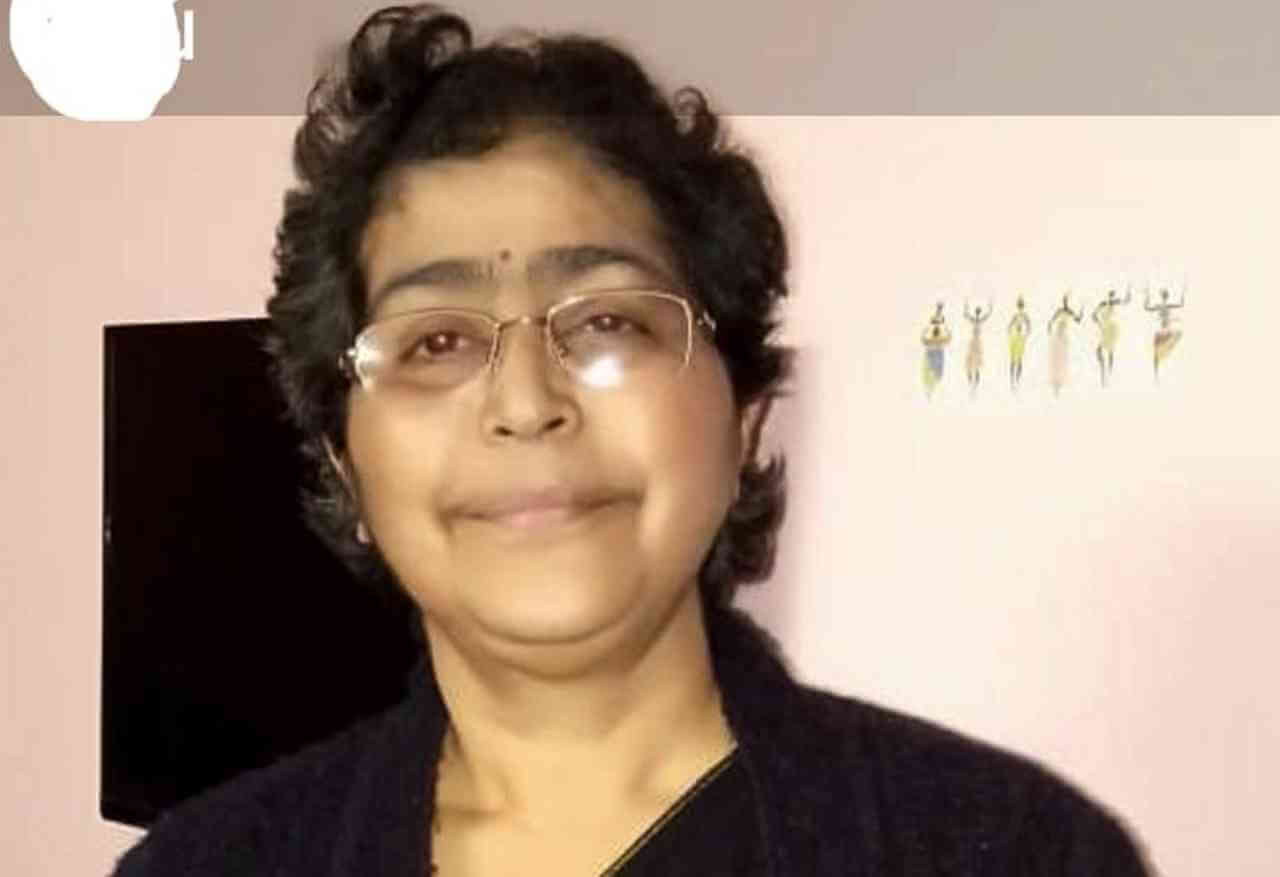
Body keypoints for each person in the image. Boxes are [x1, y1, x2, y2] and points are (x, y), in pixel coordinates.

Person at [110, 5, 1155, 875]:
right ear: (346, 465)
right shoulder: (200, 868)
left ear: (742, 417)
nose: (525, 400)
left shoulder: (1016, 852)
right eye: (435, 340)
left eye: (608, 321)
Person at [1092, 287, 1133, 387]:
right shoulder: (1103, 303)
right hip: (1105, 327)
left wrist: (1129, 290)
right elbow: (1093, 315)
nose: (1111, 296)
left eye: (1112, 295)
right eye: (1110, 294)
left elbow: (1126, 300)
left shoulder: (1115, 302)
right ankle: (1104, 370)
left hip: (1112, 328)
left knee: (1110, 350)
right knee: (1100, 350)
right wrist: (1099, 323)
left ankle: (1109, 374)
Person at [1144, 286, 1186, 382]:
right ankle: (1156, 375)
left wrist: (1183, 293)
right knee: (1156, 353)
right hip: (1161, 330)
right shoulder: (1160, 306)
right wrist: (1147, 296)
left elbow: (1181, 304)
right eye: (1164, 295)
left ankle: (1158, 374)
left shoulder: (1166, 306)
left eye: (1165, 295)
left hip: (1166, 330)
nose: (1164, 297)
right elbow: (1147, 308)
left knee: (1158, 352)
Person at [1047, 293, 1084, 398]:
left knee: (1062, 358)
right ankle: (1055, 383)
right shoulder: (1060, 311)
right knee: (1056, 358)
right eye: (1064, 301)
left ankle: (1059, 383)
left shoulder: (1070, 312)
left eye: (1066, 301)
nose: (1065, 303)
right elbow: (1051, 320)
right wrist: (1049, 328)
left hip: (1063, 337)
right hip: (1058, 336)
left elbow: (1078, 320)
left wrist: (1081, 312)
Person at [920, 301, 951, 399]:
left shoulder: (938, 340)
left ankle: (930, 390)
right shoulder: (935, 340)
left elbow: (948, 338)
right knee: (932, 374)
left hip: (935, 356)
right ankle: (930, 390)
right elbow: (924, 340)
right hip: (933, 356)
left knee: (935, 374)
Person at [963, 299, 992, 397]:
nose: (977, 313)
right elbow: (966, 315)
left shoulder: (979, 320)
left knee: (976, 366)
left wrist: (990, 306)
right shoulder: (974, 320)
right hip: (973, 342)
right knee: (970, 365)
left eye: (978, 312)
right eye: (977, 312)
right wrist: (966, 306)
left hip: (977, 343)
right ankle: (971, 384)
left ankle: (974, 386)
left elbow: (987, 315)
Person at [1007, 296, 1032, 391]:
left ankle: (1017, 380)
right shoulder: (1016, 315)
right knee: (1013, 360)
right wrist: (1011, 331)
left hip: (1020, 338)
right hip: (1015, 338)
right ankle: (1012, 379)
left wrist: (1026, 334)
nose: (1020, 306)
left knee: (1019, 360)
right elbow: (1010, 325)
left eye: (1021, 305)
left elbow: (1028, 325)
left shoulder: (1024, 316)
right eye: (1019, 305)